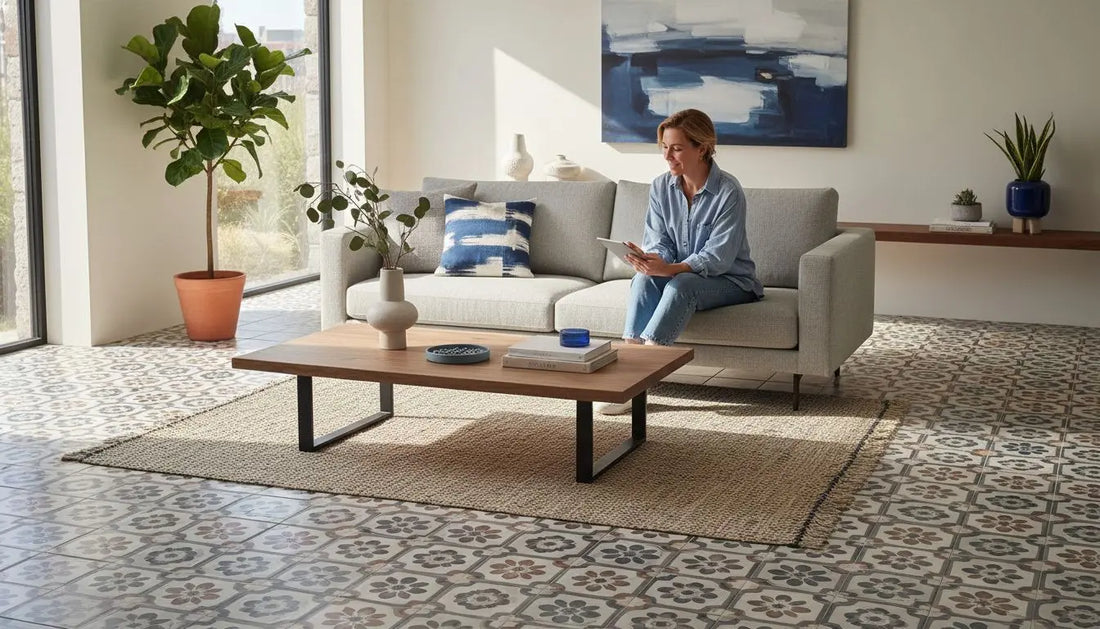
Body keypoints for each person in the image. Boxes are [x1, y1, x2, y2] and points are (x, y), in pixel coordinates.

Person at [598, 109, 763, 415]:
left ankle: (641, 379)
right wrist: (652, 259)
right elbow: (659, 238)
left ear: (702, 148)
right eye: (664, 147)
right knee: (645, 279)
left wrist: (671, 269)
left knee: (681, 285)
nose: (667, 156)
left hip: (732, 281)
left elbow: (719, 258)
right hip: (684, 274)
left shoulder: (728, 191)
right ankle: (626, 373)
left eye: (676, 148)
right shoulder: (662, 186)